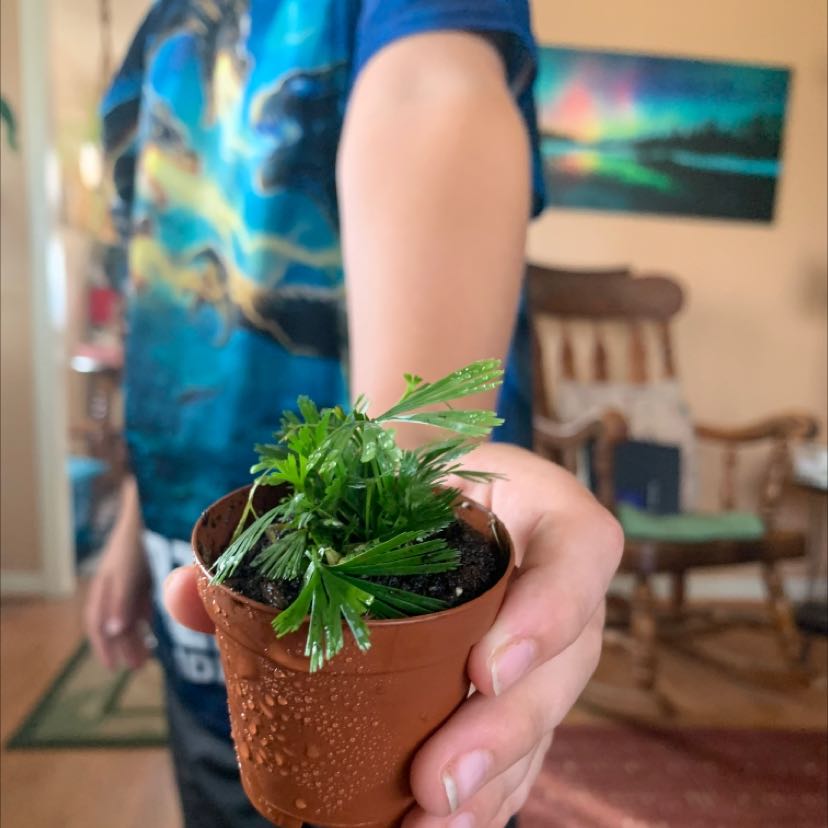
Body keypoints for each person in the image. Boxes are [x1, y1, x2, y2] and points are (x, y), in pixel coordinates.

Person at [85, 2, 623, 827]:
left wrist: (406, 486)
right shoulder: (158, 32)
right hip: (198, 580)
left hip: (370, 677)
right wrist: (132, 522)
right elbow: (160, 286)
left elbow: (431, 88)